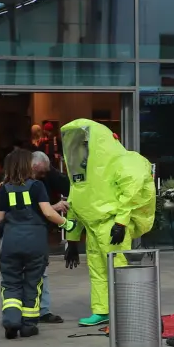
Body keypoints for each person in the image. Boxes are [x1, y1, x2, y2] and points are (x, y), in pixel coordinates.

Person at [61, 119, 155, 327]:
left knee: (117, 267)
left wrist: (121, 222)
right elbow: (75, 204)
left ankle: (123, 310)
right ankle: (102, 310)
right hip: (94, 226)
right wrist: (72, 240)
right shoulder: (82, 175)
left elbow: (132, 191)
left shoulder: (121, 162)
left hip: (110, 224)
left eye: (84, 143)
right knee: (97, 269)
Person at [0, 148, 75, 339]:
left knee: (11, 283)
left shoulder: (5, 188)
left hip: (11, 241)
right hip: (35, 241)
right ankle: (28, 324)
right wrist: (68, 224)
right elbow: (47, 212)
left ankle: (11, 320)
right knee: (33, 282)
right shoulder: (37, 186)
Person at [30, 151, 69, 324]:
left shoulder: (35, 181)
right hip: (30, 233)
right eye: (43, 171)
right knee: (32, 273)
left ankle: (39, 311)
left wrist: (51, 170)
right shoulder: (29, 185)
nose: (44, 175)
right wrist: (66, 223)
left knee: (39, 272)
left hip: (28, 233)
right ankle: (34, 311)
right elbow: (38, 211)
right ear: (34, 166)